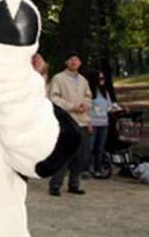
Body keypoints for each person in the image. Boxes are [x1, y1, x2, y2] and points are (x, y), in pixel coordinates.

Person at [47, 53, 91, 195]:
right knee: (64, 154)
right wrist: (71, 106)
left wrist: (85, 106)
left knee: (81, 155)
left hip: (82, 121)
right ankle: (55, 185)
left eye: (76, 59)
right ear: (66, 62)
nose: (74, 61)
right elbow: (53, 97)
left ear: (80, 62)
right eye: (71, 59)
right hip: (66, 121)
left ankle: (74, 184)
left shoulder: (83, 80)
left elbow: (88, 97)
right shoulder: (58, 78)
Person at [87, 69, 122, 177]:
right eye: (100, 78)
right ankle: (88, 169)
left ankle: (98, 169)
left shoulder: (105, 92)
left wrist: (121, 109)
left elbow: (109, 107)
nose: (103, 80)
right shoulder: (88, 92)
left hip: (103, 124)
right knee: (90, 147)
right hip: (93, 123)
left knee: (100, 148)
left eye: (103, 78)